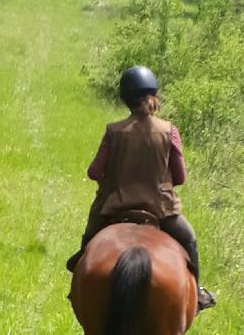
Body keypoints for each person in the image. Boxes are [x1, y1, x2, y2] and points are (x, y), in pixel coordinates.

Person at [66, 65, 217, 312]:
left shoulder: (114, 131)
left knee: (90, 239)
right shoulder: (169, 131)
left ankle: (78, 286)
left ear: (126, 100)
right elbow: (180, 177)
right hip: (160, 211)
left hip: (115, 208)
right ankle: (197, 295)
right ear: (154, 96)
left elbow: (93, 172)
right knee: (189, 239)